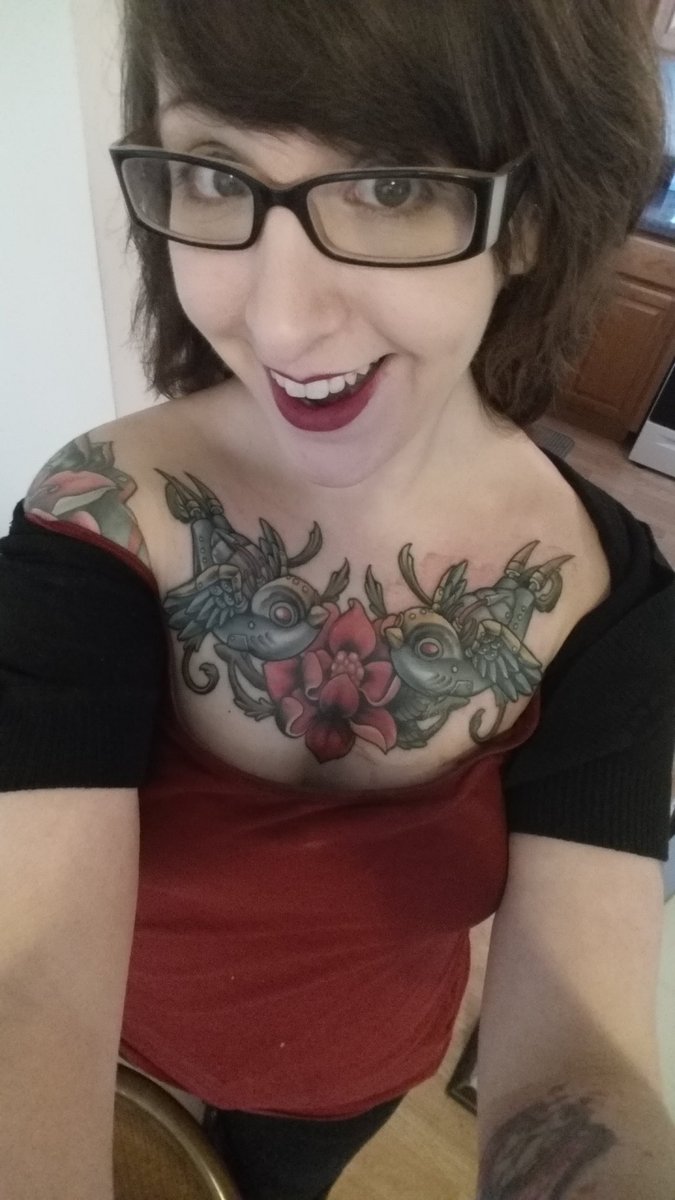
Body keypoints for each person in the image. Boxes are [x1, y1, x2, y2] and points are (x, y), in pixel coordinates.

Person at [2, 1, 675, 1197]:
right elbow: (28, 970)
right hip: (113, 1063)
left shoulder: (605, 613)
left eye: (390, 186)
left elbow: (577, 1071)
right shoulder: (100, 515)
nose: (280, 317)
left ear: (531, 218)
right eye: (216, 174)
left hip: (342, 1084)